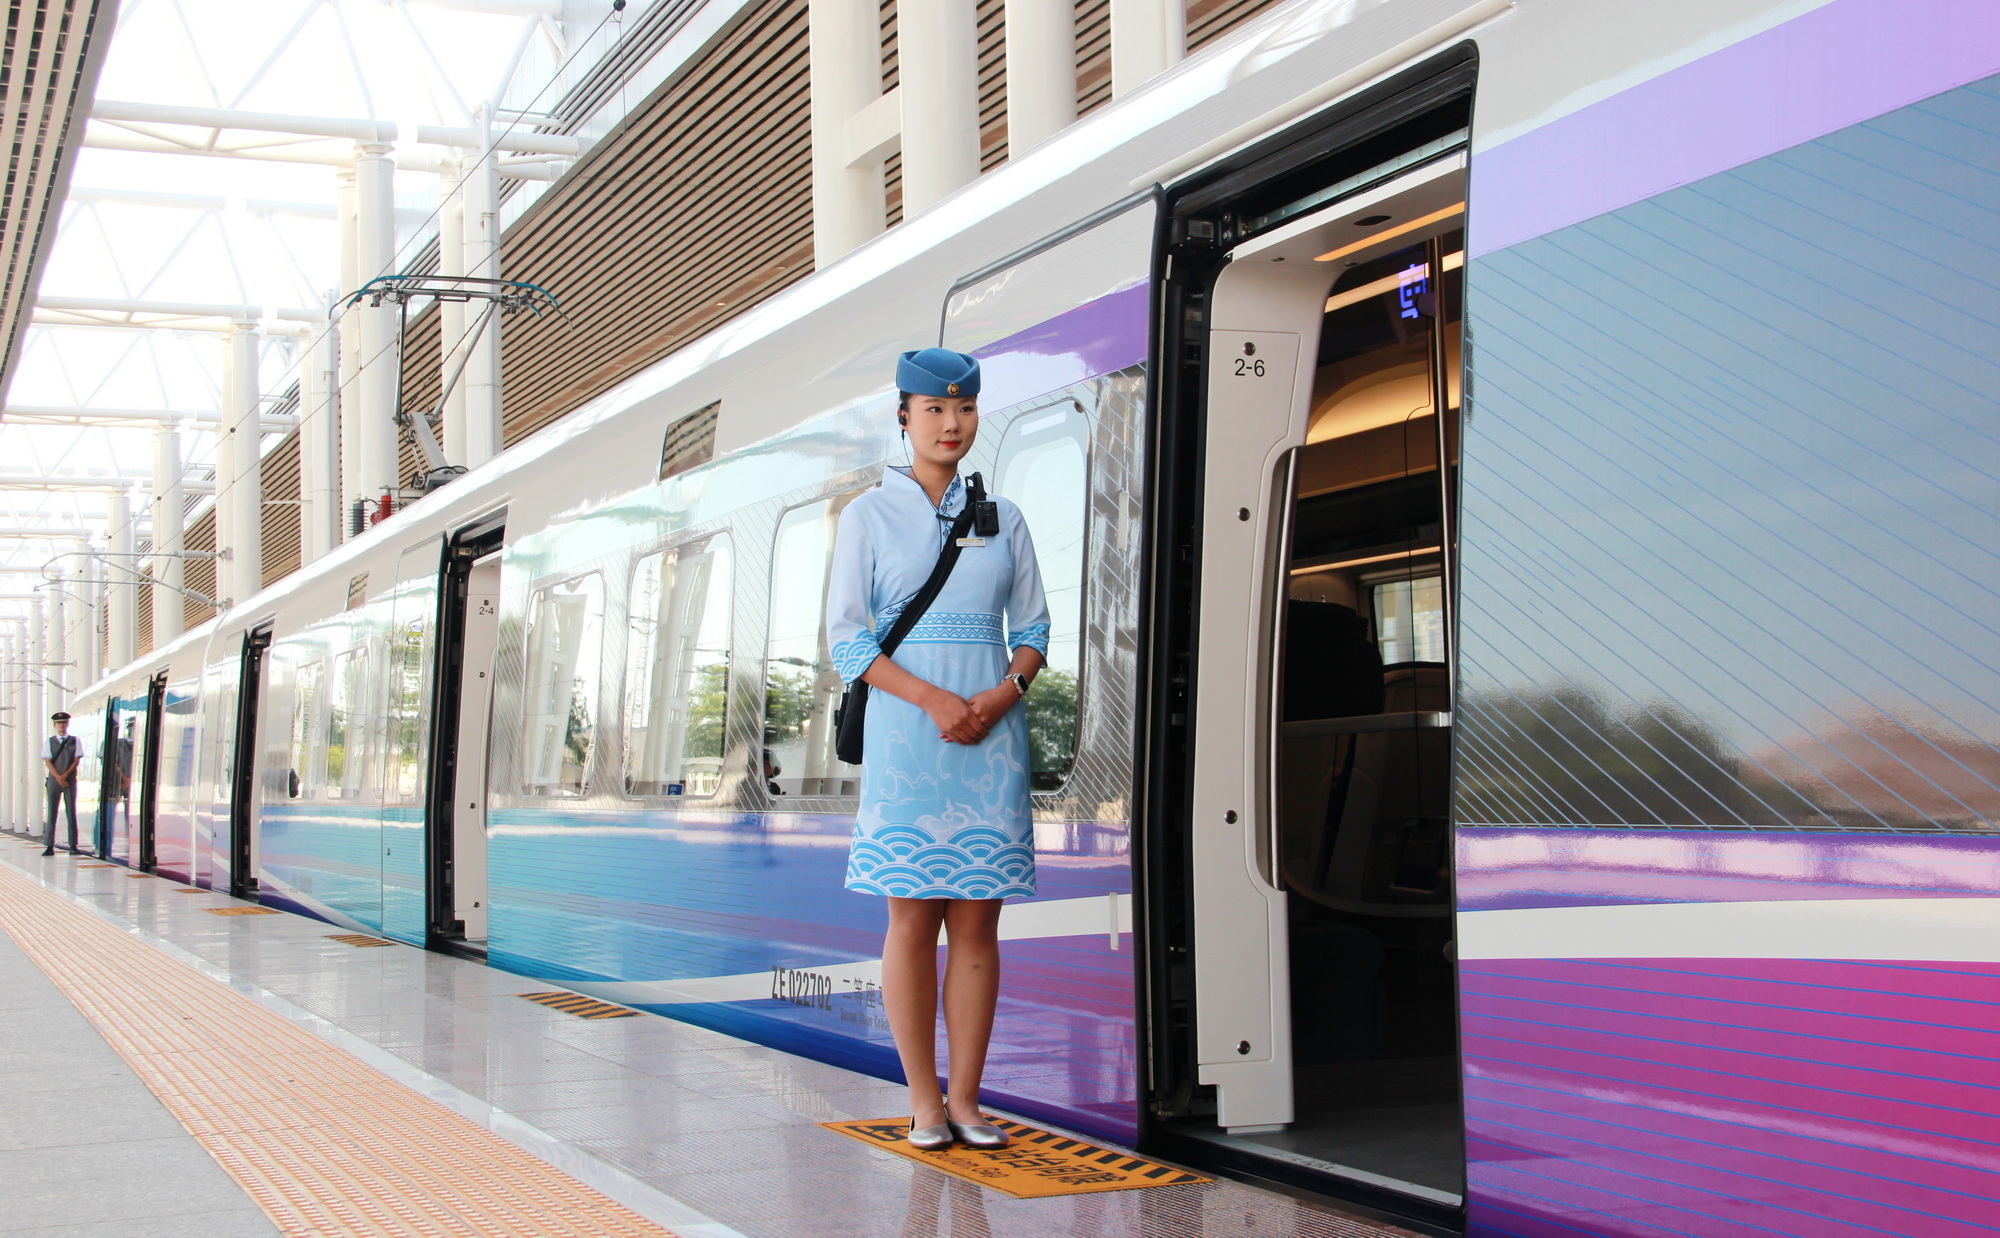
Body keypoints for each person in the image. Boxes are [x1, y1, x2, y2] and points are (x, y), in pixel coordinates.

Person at [825, 348, 1049, 1152]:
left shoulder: (1004, 517)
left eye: (965, 409)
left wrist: (1002, 695)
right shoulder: (867, 516)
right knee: (913, 922)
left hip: (992, 738)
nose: (952, 424)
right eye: (935, 410)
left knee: (979, 928)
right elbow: (847, 640)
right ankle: (923, 1101)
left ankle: (968, 1101)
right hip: (908, 737)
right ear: (904, 416)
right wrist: (933, 699)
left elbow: (1033, 629)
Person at [41, 711, 80, 856]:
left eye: (64, 723)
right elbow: (48, 761)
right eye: (59, 723)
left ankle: (73, 845)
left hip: (69, 779)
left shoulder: (75, 741)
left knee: (71, 811)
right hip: (54, 780)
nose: (61, 725)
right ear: (55, 725)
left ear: (67, 724)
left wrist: (65, 776)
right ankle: (49, 845)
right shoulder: (49, 742)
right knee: (52, 812)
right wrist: (59, 777)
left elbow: (76, 760)